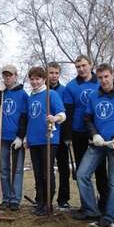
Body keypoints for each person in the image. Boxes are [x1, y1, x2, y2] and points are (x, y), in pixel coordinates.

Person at [72, 63, 114, 227]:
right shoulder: (94, 96)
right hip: (97, 144)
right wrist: (95, 134)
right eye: (100, 77)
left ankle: (109, 215)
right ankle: (91, 210)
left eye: (106, 76)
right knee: (82, 174)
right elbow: (87, 118)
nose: (103, 80)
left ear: (112, 75)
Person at [63, 55, 108, 213]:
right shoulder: (71, 86)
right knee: (82, 172)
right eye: (78, 67)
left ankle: (104, 205)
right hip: (79, 133)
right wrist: (67, 136)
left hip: (99, 133)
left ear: (90, 65)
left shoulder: (101, 82)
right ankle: (87, 206)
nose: (81, 69)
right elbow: (68, 111)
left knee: (101, 171)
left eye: (83, 65)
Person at [25, 66, 66, 216]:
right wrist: (26, 138)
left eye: (38, 79)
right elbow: (30, 119)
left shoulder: (51, 94)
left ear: (43, 79)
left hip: (48, 139)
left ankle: (48, 203)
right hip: (34, 140)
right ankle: (40, 202)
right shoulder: (31, 97)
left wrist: (55, 118)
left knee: (46, 172)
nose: (35, 82)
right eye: (32, 79)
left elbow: (63, 114)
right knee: (37, 173)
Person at [0, 64, 28, 211]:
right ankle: (6, 197)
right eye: (5, 75)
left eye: (10, 75)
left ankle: (15, 199)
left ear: (16, 76)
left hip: (16, 138)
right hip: (2, 137)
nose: (7, 78)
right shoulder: (0, 93)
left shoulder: (23, 94)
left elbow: (25, 117)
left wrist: (21, 136)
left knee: (17, 169)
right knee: (3, 169)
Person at [47, 62, 71, 209]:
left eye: (56, 73)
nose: (54, 76)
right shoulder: (40, 90)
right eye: (51, 73)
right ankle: (46, 197)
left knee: (63, 168)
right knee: (47, 168)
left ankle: (63, 198)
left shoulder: (64, 90)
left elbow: (67, 114)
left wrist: (68, 136)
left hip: (61, 135)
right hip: (47, 135)